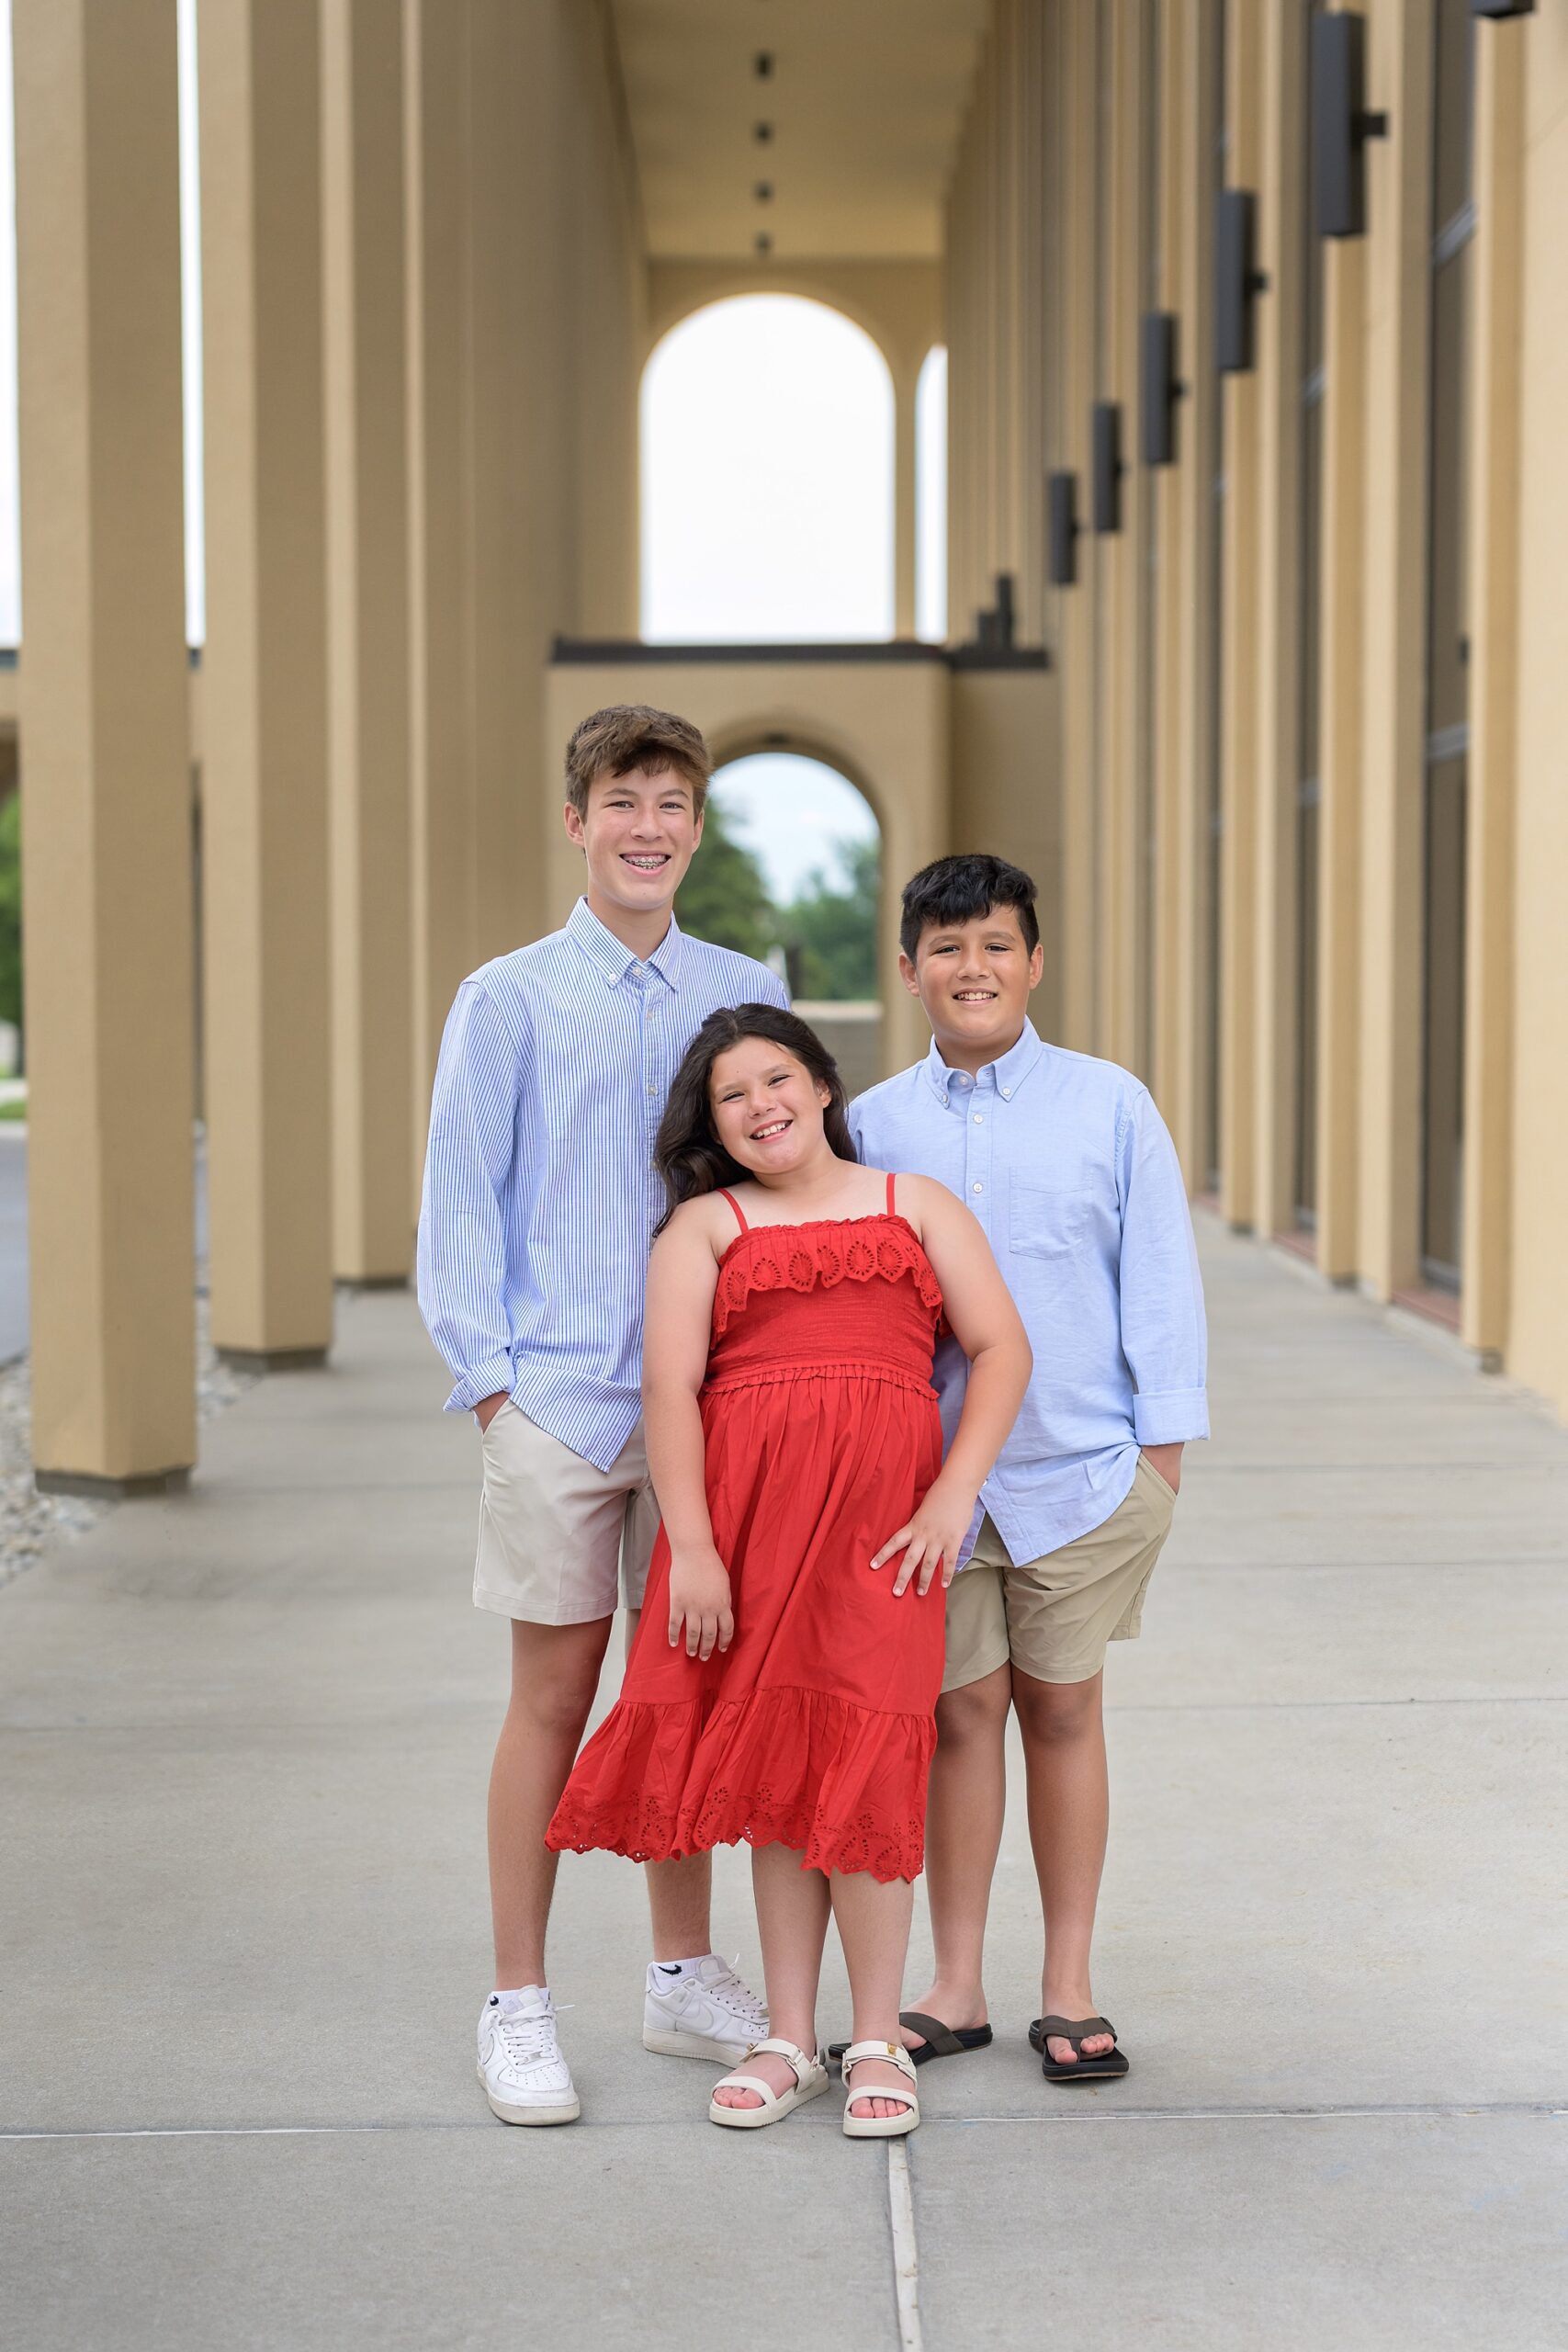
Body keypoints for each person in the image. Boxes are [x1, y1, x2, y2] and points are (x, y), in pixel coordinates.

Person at [547, 1006, 1031, 2135]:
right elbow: (671, 1391)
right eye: (733, 1094)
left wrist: (953, 1493)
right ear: (712, 1123)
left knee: (864, 1761)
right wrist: (699, 1552)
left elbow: (1001, 1349)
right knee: (775, 1773)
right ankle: (787, 2036)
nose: (761, 1104)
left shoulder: (916, 1206)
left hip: (884, 1538)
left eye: (779, 1078)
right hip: (748, 1538)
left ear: (821, 1086)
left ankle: (875, 2042)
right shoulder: (703, 1229)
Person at [417, 705, 790, 2128]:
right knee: (554, 1702)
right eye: (622, 800)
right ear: (576, 822)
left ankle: (680, 1972)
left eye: (672, 802)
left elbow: (774, 1169)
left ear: (696, 828)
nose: (648, 825)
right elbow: (461, 1198)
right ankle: (517, 1999)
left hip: (717, 1403)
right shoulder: (506, 998)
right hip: (561, 1402)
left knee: (682, 1691)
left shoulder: (736, 990)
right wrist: (496, 1384)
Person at [848, 854, 1208, 2084]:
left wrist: (1156, 1463)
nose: (971, 968)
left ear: (1032, 962)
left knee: (1060, 1708)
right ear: (908, 972)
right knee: (958, 1717)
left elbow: (1155, 1283)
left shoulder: (1108, 1103)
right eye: (945, 949)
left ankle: (1068, 1983)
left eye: (994, 944)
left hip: (1080, 1472)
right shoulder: (872, 1126)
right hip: (932, 1487)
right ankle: (953, 1985)